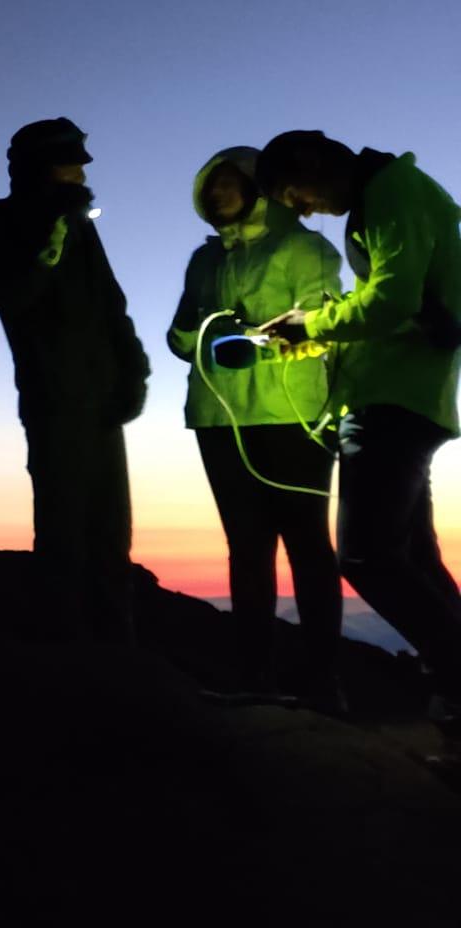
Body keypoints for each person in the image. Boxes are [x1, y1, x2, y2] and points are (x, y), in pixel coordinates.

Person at [254, 131, 461, 743]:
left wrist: (312, 323)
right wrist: (312, 334)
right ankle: (454, 698)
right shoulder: (390, 195)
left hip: (392, 402)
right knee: (414, 560)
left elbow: (392, 301)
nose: (305, 211)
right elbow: (401, 307)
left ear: (312, 162)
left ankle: (457, 681)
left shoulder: (392, 191)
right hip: (405, 396)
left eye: (297, 196)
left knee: (367, 557)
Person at [167, 146, 343, 706]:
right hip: (218, 418)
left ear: (257, 187)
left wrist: (258, 341)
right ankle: (254, 679)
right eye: (210, 186)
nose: (217, 193)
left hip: (295, 416)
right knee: (246, 548)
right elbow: (179, 338)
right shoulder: (204, 261)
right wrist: (202, 332)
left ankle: (323, 683)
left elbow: (327, 325)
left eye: (229, 182)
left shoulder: (305, 248)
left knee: (308, 547)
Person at [0, 118, 149, 644]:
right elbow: (15, 297)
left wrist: (133, 372)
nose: (82, 173)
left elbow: (112, 302)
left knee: (112, 533)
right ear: (40, 166)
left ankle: (117, 654)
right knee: (63, 534)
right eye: (72, 163)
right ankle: (66, 653)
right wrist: (51, 237)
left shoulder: (79, 224)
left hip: (103, 402)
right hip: (52, 401)